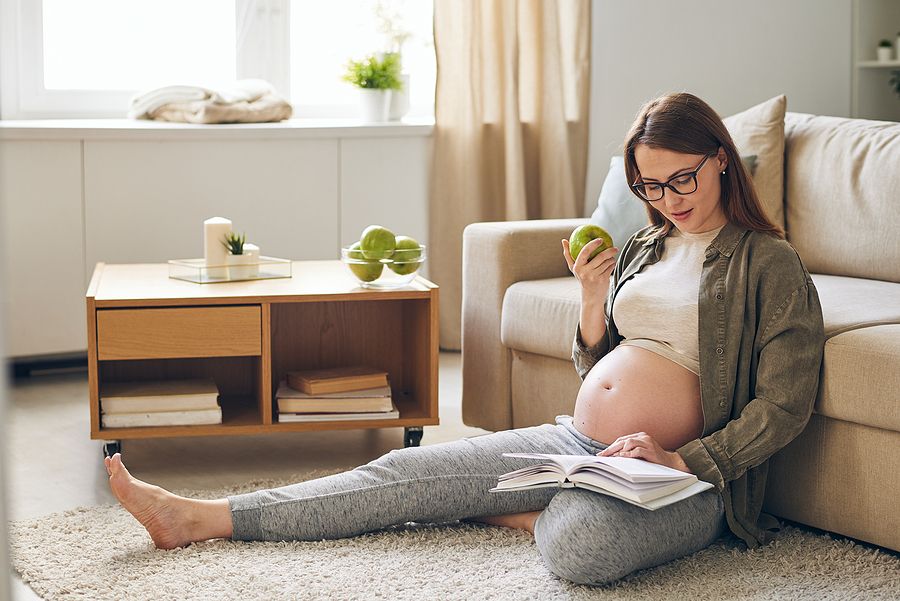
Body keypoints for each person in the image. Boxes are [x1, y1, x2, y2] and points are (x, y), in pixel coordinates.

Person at [104, 92, 825, 586]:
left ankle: (520, 510)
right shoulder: (646, 245)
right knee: (400, 472)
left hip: (685, 479)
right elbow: (599, 363)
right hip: (579, 445)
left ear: (722, 158)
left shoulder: (769, 263)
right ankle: (202, 518)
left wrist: (679, 457)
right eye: (651, 187)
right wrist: (591, 297)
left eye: (682, 179)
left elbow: (783, 405)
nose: (668, 200)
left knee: (584, 544)